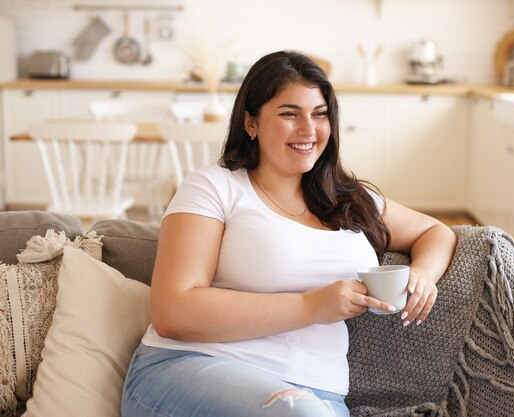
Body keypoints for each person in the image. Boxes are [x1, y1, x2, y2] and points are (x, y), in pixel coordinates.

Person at [120, 50, 457, 417]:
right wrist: (310, 306)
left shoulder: (350, 200)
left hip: (318, 391)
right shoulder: (214, 187)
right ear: (251, 123)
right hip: (194, 368)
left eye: (319, 114)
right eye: (289, 114)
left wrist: (422, 274)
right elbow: (173, 312)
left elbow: (435, 232)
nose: (308, 130)